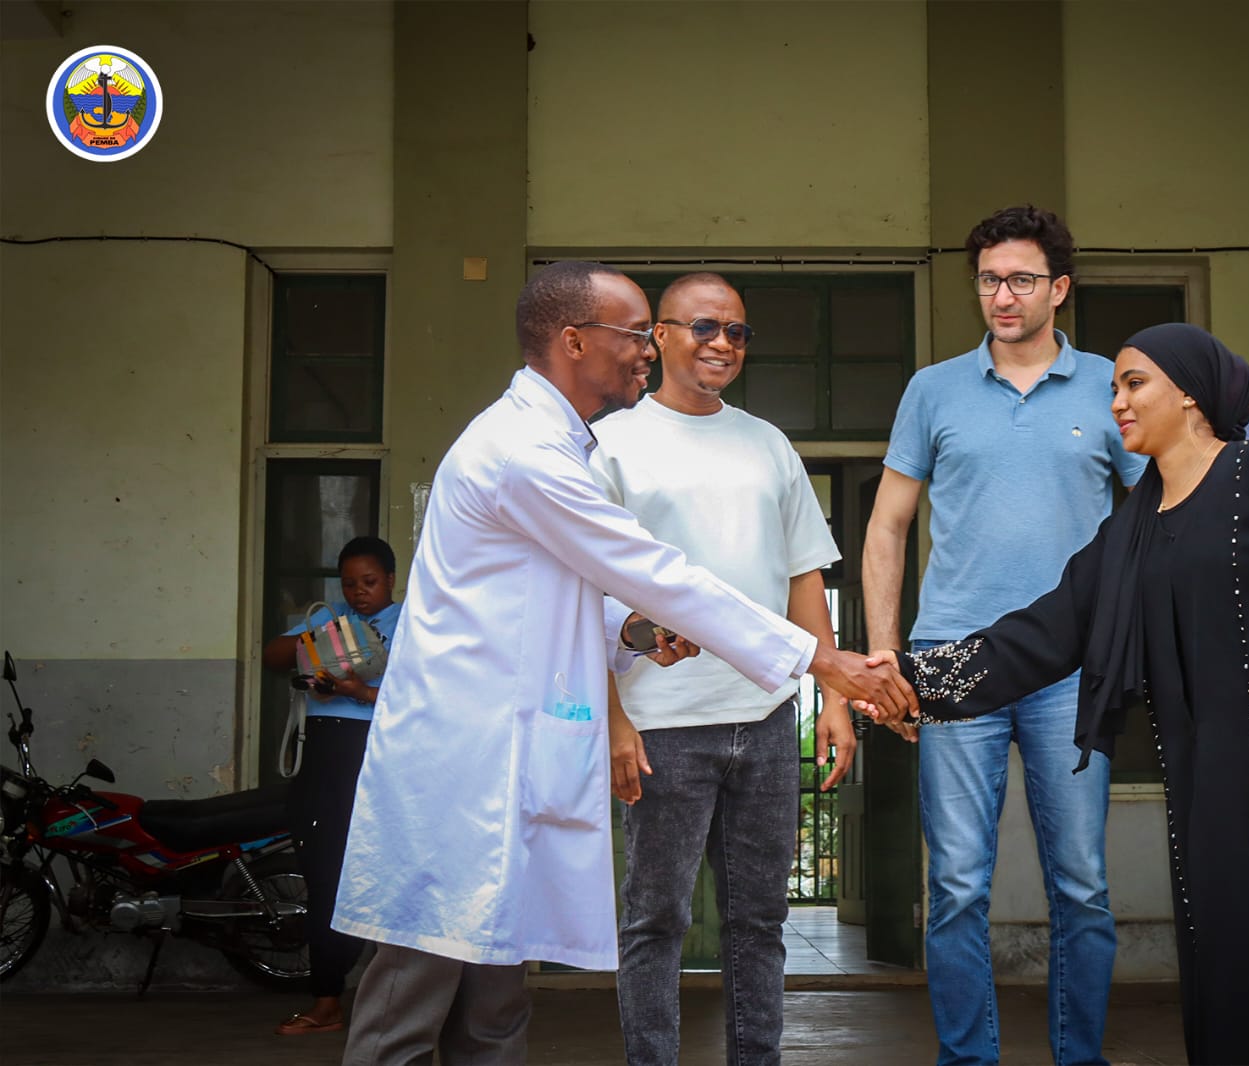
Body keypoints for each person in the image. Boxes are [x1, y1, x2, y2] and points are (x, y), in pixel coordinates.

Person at [330, 261, 915, 1066]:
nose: (647, 349)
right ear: (575, 341)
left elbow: (561, 595)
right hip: (462, 767)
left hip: (516, 760)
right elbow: (650, 570)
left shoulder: (568, 444)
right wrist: (822, 662)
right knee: (412, 1002)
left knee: (494, 1010)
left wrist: (635, 633)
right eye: (638, 333)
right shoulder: (524, 453)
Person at [868, 322, 1249, 1065]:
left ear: (1192, 395)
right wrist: (907, 681)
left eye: (1134, 384)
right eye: (1113, 388)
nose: (1117, 402)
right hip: (1214, 781)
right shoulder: (1133, 527)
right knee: (1233, 952)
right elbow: (1043, 632)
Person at [861, 205, 1144, 1066]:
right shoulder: (933, 390)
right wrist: (885, 654)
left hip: (1071, 663)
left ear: (1060, 289)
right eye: (989, 280)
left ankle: (1079, 1056)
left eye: (1022, 279)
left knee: (1082, 886)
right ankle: (967, 1058)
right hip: (953, 658)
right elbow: (887, 526)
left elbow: (1162, 513)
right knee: (954, 888)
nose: (1003, 295)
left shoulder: (1113, 384)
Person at [592, 272, 853, 1066]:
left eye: (737, 332)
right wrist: (615, 719)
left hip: (767, 721)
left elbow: (804, 575)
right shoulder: (613, 445)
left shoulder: (768, 444)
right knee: (655, 922)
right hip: (661, 726)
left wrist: (833, 698)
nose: (723, 344)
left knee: (759, 923)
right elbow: (584, 592)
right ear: (660, 335)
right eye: (705, 327)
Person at [261, 535, 400, 1037]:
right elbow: (273, 656)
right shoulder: (329, 619)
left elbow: (425, 696)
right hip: (324, 755)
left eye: (370, 582)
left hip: (381, 756)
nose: (359, 592)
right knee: (325, 875)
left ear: (390, 580)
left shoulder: (412, 623)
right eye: (349, 584)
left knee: (387, 876)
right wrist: (318, 644)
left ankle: (397, 1001)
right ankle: (327, 1000)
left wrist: (358, 690)